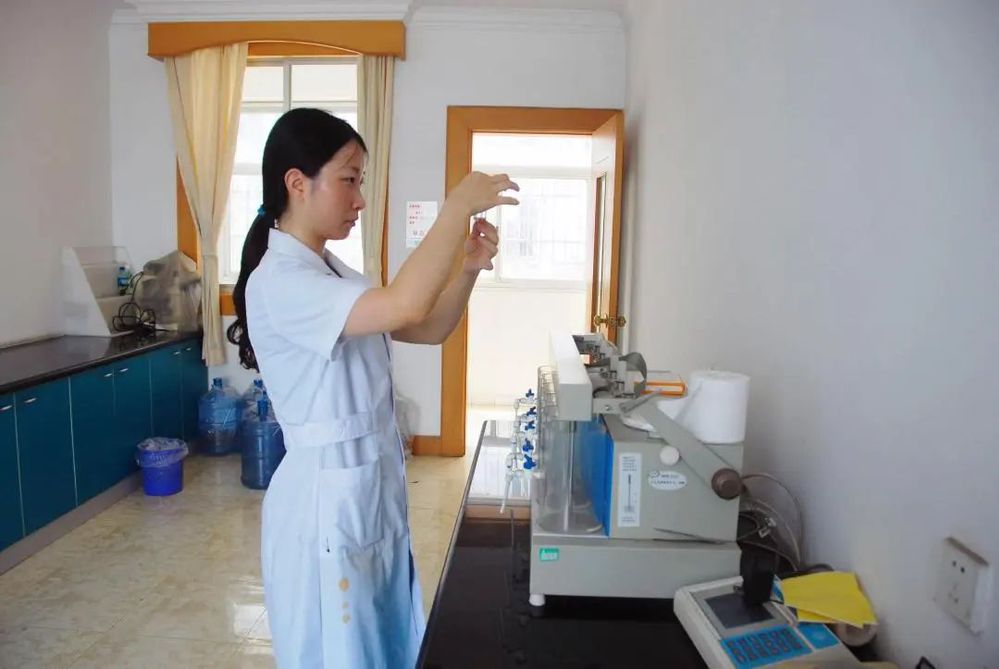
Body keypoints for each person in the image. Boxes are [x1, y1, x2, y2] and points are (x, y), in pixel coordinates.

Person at [225, 107, 518, 668]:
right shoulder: (281, 281)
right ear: (297, 183)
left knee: (379, 642)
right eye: (349, 180)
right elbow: (406, 304)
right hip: (325, 503)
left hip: (363, 487)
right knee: (338, 652)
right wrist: (456, 207)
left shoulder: (332, 271)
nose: (360, 199)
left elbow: (426, 326)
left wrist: (469, 269)